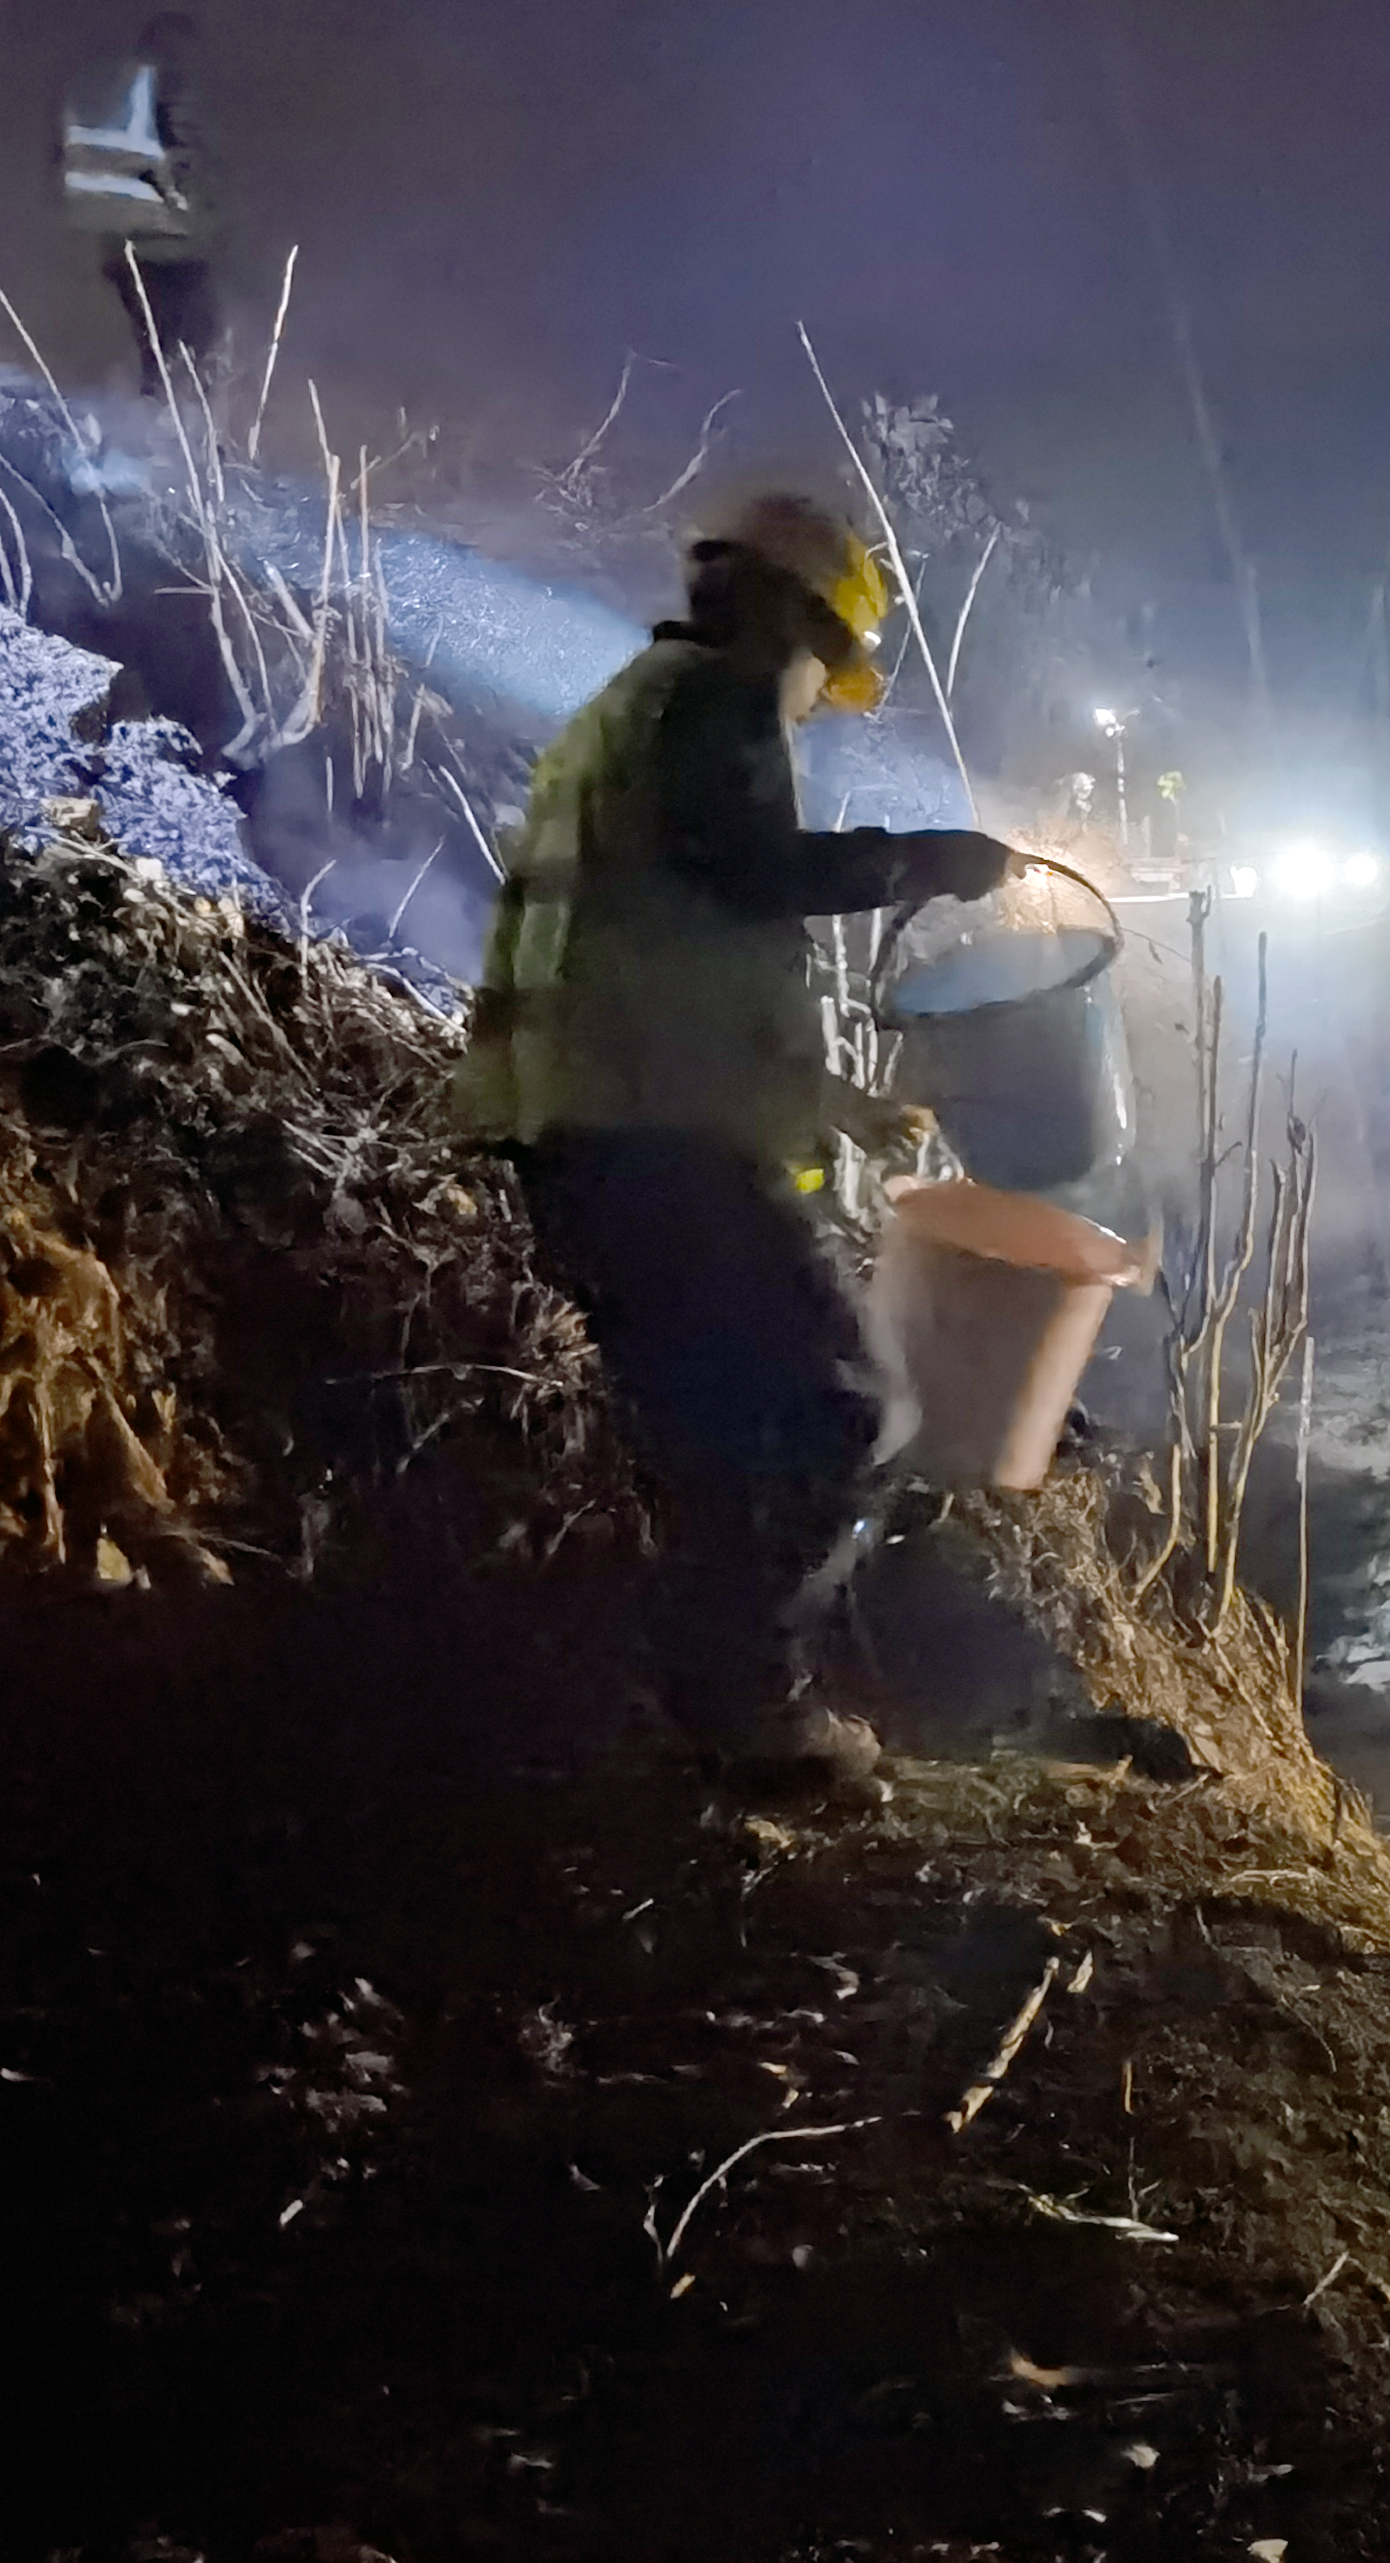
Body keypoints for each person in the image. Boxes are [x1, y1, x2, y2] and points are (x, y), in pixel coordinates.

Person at [454, 492, 1018, 1787]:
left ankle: (699, 1717)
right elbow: (750, 871)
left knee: (718, 1439)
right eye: (829, 663)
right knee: (847, 1411)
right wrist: (921, 858)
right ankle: (750, 1720)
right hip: (649, 1153)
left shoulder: (640, 709)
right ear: (789, 617)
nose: (823, 697)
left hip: (589, 1139)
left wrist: (825, 1103)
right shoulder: (721, 701)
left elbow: (660, 963)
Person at [59, 15, 218, 392]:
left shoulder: (110, 85)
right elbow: (184, 160)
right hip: (167, 240)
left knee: (149, 335)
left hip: (115, 236)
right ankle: (172, 422)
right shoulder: (171, 86)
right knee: (194, 335)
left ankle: (147, 409)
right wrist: (206, 219)